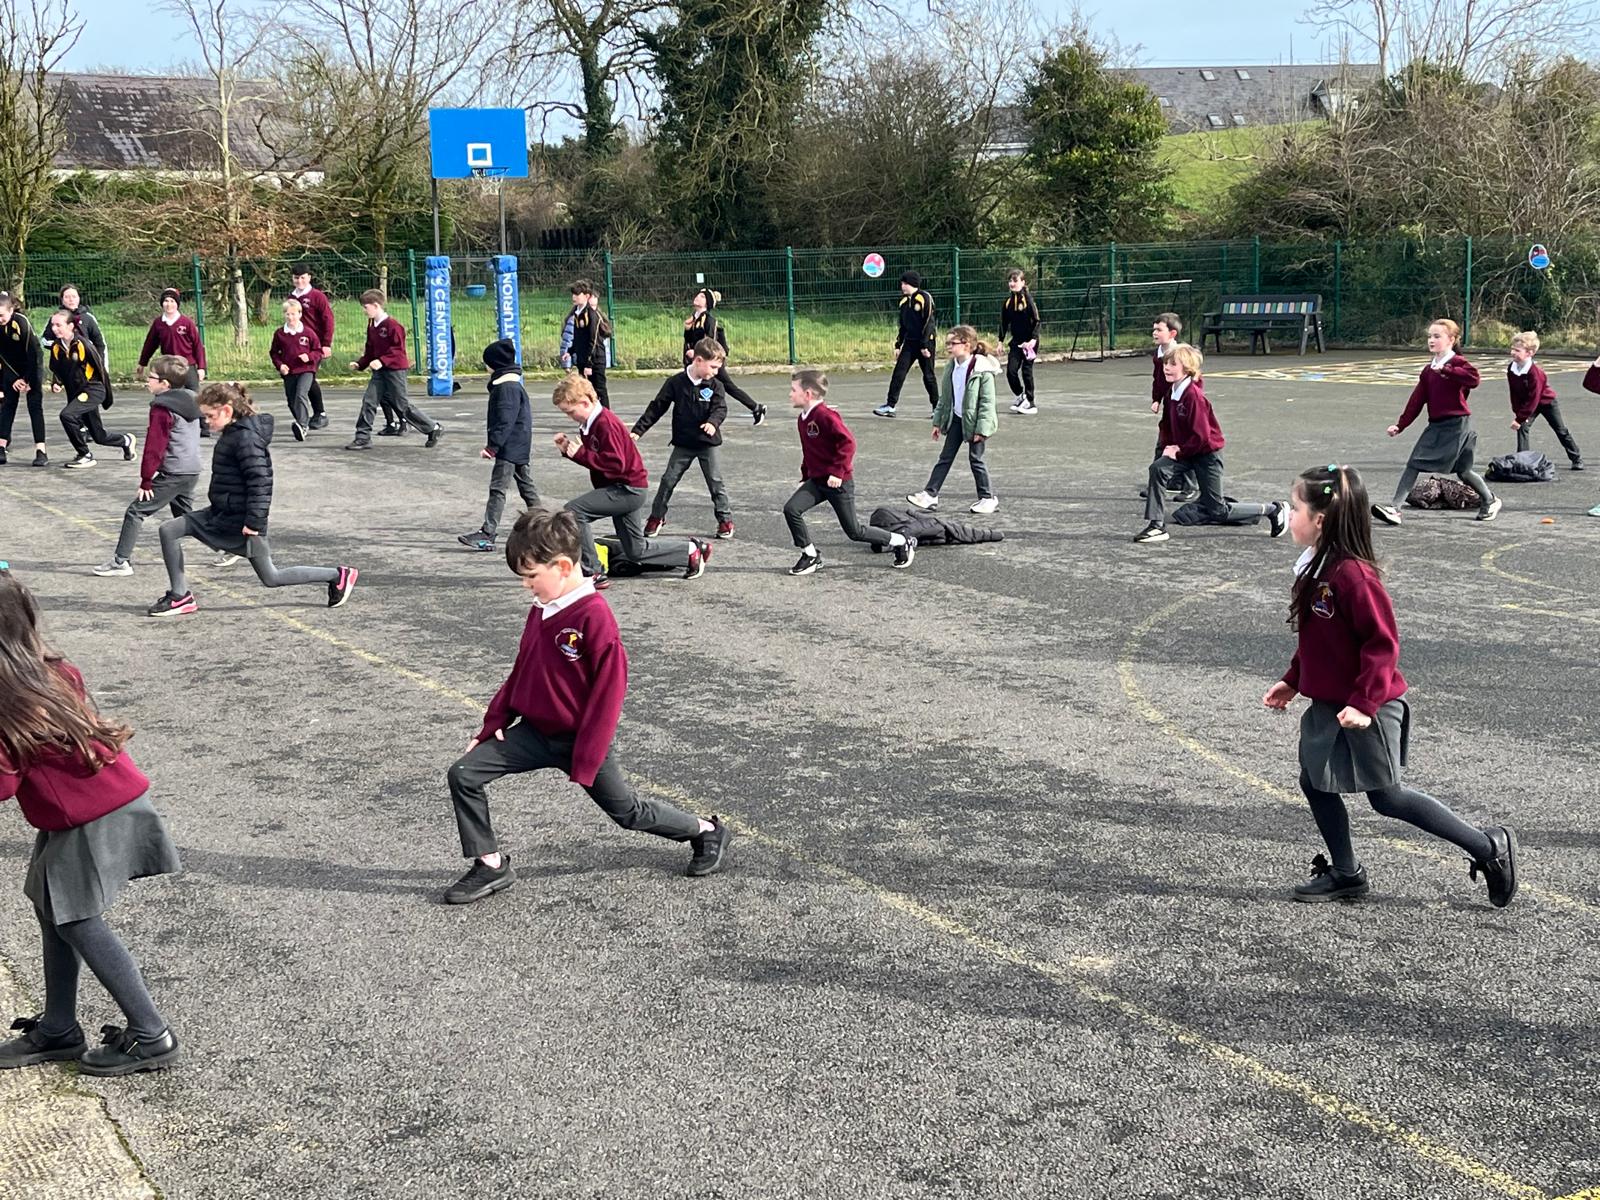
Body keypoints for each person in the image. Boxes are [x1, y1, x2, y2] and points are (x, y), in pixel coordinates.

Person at [440, 509, 732, 904]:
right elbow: (520, 670)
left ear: (562, 566)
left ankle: (705, 831)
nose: (527, 586)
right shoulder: (543, 608)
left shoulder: (594, 618)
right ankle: (490, 865)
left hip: (580, 740)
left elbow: (608, 697)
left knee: (628, 813)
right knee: (464, 774)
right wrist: (492, 723)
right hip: (534, 733)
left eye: (531, 577)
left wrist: (587, 756)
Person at [1264, 464, 1518, 907]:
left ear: (1320, 519)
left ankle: (1488, 847)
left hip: (1370, 706)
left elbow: (1382, 646)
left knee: (1387, 797)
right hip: (1330, 704)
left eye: (1296, 507)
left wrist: (1364, 703)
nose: (1289, 514)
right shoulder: (1316, 567)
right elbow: (1318, 640)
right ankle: (1346, 874)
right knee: (1314, 781)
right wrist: (1293, 680)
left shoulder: (1354, 577)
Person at [0, 565, 183, 1075]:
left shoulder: (6, 697)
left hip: (90, 816)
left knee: (77, 919)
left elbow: (3, 785)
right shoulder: (51, 669)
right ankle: (58, 1028)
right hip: (96, 806)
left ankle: (152, 1036)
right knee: (50, 905)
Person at [147, 382, 358, 617]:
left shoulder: (246, 439)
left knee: (271, 577)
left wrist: (254, 523)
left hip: (243, 521)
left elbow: (261, 481)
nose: (206, 421)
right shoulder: (232, 433)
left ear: (227, 411)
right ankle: (180, 595)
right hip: (221, 513)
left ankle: (337, 575)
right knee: (169, 530)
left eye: (209, 416)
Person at [552, 374, 709, 584]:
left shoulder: (605, 423)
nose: (569, 417)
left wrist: (579, 454)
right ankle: (690, 550)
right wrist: (570, 452)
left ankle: (593, 572)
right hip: (626, 487)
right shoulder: (592, 422)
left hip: (626, 489)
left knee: (573, 512)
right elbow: (600, 461)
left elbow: (616, 465)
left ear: (585, 402)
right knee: (636, 551)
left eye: (570, 412)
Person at [1133, 344, 1287, 544]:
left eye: (1172, 364)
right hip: (1189, 451)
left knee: (1218, 510)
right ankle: (1156, 526)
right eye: (1165, 363)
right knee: (1158, 469)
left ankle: (1273, 509)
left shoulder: (1194, 397)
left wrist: (1179, 451)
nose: (1166, 368)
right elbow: (1167, 425)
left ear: (1187, 368)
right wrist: (1168, 446)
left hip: (1207, 455)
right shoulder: (1172, 392)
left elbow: (1203, 437)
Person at [786, 369, 914, 574]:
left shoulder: (826, 416)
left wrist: (837, 472)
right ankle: (810, 555)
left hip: (839, 482)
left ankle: (900, 541)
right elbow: (809, 451)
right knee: (791, 509)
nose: (790, 394)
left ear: (808, 394)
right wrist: (805, 477)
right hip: (818, 481)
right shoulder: (803, 418)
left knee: (854, 531)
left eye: (793, 390)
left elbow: (848, 443)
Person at [1372, 319, 1499, 526]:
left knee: (1417, 464)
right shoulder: (1428, 370)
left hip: (1458, 425)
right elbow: (1416, 400)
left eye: (1437, 336)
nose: (1431, 340)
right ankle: (1490, 500)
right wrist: (1401, 425)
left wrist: (1448, 371)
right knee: (1464, 471)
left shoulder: (1457, 362)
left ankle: (1395, 509)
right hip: (1438, 425)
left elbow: (1474, 379)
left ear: (1452, 339)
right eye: (1430, 336)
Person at [92, 356, 201, 578]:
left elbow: (155, 447)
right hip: (192, 469)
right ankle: (229, 547)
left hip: (174, 472)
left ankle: (121, 561)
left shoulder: (162, 408)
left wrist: (146, 479)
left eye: (151, 378)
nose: (146, 381)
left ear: (165, 384)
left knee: (135, 511)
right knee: (189, 519)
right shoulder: (192, 399)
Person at [635, 337, 736, 540]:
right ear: (698, 360)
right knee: (668, 480)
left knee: (715, 482)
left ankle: (724, 520)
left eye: (718, 368)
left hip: (707, 444)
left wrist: (712, 423)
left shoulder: (716, 385)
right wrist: (638, 430)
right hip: (684, 443)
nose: (716, 372)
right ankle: (657, 517)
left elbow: (720, 408)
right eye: (713, 367)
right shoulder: (676, 383)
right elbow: (657, 407)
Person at [906, 325, 1000, 515]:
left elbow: (987, 403)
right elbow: (945, 398)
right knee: (945, 458)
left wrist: (982, 430)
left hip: (975, 423)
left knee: (976, 459)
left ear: (966, 345)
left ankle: (988, 499)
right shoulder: (951, 366)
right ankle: (930, 495)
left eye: (952, 343)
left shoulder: (982, 370)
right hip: (957, 419)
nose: (948, 346)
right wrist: (938, 423)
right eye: (947, 343)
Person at [459, 339, 540, 552]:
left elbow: (505, 420)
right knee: (526, 487)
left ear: (495, 364)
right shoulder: (511, 385)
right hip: (519, 444)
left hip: (510, 447)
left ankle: (488, 533)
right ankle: (545, 527)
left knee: (498, 489)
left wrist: (492, 446)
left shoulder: (506, 388)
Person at [343, 290, 441, 451]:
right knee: (369, 401)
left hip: (395, 370)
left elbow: (398, 350)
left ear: (376, 306)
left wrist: (382, 361)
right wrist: (360, 364)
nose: (363, 310)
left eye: (365, 307)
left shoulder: (393, 326)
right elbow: (370, 350)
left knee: (402, 405)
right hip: (380, 373)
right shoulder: (372, 325)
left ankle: (432, 428)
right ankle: (362, 437)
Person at [48, 309, 132, 470]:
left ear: (71, 326)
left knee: (67, 415)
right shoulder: (57, 347)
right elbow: (57, 368)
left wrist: (107, 395)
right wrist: (56, 382)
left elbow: (100, 370)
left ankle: (84, 454)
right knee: (99, 436)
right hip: (76, 392)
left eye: (59, 325)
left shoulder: (83, 344)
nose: (54, 328)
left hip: (93, 390)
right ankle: (126, 441)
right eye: (53, 325)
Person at [683, 288, 767, 425]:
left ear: (707, 303)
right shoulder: (694, 318)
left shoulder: (709, 320)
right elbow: (689, 340)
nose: (698, 297)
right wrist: (687, 330)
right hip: (699, 361)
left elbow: (709, 342)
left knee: (727, 387)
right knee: (692, 384)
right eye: (698, 295)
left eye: (702, 297)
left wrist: (696, 352)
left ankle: (756, 408)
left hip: (710, 361)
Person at [1506, 331, 1581, 469]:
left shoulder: (1535, 373)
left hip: (1547, 403)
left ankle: (1576, 458)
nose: (1512, 352)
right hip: (1529, 404)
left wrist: (1520, 417)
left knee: (1561, 430)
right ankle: (1523, 461)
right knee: (1522, 427)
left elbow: (1534, 397)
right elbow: (1514, 393)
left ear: (1530, 353)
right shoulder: (1512, 368)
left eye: (1517, 350)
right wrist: (1518, 414)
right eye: (1512, 349)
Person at [1142, 313, 1196, 502]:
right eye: (1154, 329)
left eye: (1159, 329)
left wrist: (1186, 403)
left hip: (1182, 407)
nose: (1154, 332)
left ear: (1172, 333)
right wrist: (1156, 399)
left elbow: (1195, 379)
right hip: (1169, 405)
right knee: (1162, 444)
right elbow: (1158, 380)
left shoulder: (1182, 354)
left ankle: (1190, 486)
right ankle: (1158, 484)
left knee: (1183, 444)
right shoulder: (1158, 355)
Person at [874, 271, 938, 418]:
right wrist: (898, 345)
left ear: (913, 284)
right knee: (899, 373)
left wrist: (924, 345)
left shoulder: (924, 298)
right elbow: (903, 326)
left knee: (928, 376)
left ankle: (936, 408)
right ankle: (890, 406)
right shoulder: (903, 302)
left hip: (926, 343)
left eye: (905, 283)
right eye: (902, 283)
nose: (902, 286)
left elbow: (929, 323)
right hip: (909, 343)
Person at [0, 291, 47, 467]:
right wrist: (13, 378)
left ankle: (41, 450)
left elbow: (33, 354)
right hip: (11, 369)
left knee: (34, 406)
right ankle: (1, 447)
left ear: (11, 310)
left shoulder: (21, 323)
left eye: (1, 315)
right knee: (8, 405)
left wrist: (27, 380)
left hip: (32, 366)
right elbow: (2, 356)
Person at [269, 298, 324, 442]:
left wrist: (309, 356)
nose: (290, 317)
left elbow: (318, 351)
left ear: (300, 314)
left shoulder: (308, 333)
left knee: (301, 394)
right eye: (287, 314)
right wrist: (280, 365)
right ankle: (301, 422)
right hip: (289, 372)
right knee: (292, 400)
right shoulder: (280, 334)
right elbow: (274, 353)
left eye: (293, 314)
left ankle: (303, 425)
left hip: (306, 370)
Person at [288, 264, 334, 430]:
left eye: (302, 277)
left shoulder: (317, 296)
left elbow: (328, 320)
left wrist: (326, 344)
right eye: (296, 278)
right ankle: (305, 415)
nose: (299, 281)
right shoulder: (291, 297)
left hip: (314, 345)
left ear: (309, 277)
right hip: (297, 346)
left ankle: (320, 413)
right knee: (302, 378)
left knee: (309, 377)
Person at [135, 289, 205, 393]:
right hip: (169, 367)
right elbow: (150, 345)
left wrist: (201, 367)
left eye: (172, 301)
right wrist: (142, 363)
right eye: (166, 301)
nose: (169, 304)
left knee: (193, 395)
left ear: (177, 304)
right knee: (172, 395)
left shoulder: (187, 322)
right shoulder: (158, 323)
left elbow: (197, 345)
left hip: (187, 366)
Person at [998, 269, 1040, 414]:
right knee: (1011, 371)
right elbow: (1003, 323)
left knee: (1027, 371)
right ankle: (1020, 396)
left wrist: (1033, 339)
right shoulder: (1008, 302)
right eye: (1010, 281)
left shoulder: (1028, 300)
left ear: (1023, 282)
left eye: (1015, 281)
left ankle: (1031, 402)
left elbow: (1036, 321)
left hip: (1030, 342)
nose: (1012, 283)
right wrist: (1000, 341)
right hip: (1016, 341)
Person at [569, 280, 611, 410]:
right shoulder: (577, 314)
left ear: (586, 296)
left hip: (595, 360)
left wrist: (589, 364)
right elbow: (579, 338)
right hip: (583, 360)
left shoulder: (592, 315)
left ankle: (607, 416)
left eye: (577, 294)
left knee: (599, 390)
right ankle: (591, 417)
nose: (573, 297)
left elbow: (593, 341)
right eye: (573, 294)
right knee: (585, 391)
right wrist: (570, 351)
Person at [47, 285, 107, 368]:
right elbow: (45, 340)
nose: (71, 300)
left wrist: (101, 365)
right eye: (67, 297)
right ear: (62, 300)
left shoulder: (88, 318)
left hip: (86, 365)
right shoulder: (56, 318)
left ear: (79, 298)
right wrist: (60, 346)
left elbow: (100, 343)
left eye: (74, 296)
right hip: (64, 365)